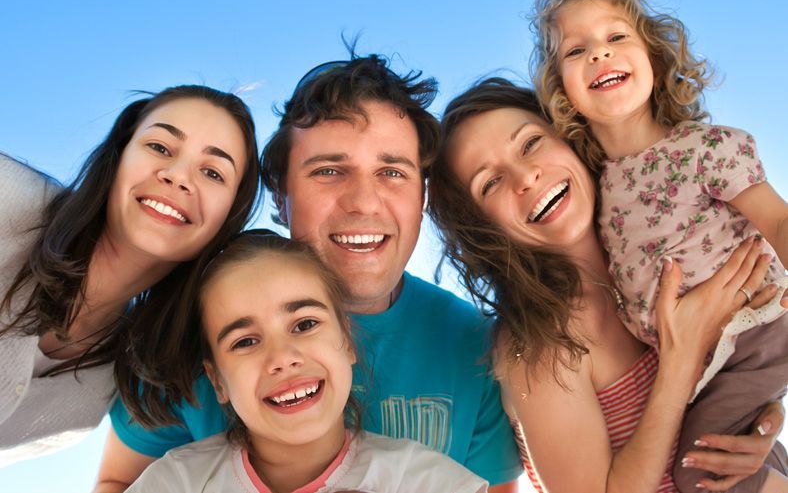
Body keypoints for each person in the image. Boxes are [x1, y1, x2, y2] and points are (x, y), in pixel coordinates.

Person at [97, 55, 522, 492]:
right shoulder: (192, 326)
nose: (364, 202)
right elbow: (119, 482)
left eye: (392, 172)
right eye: (329, 171)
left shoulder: (474, 347)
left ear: (423, 197)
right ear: (280, 195)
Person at [429, 78, 788, 493]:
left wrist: (762, 416)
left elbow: (746, 360)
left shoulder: (663, 261)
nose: (525, 177)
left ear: (569, 140)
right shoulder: (542, 346)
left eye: (530, 144)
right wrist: (678, 361)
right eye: (489, 183)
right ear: (480, 228)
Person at [529, 0, 788, 491]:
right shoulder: (595, 189)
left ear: (655, 58)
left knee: (702, 471)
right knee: (738, 458)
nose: (600, 54)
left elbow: (778, 219)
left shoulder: (707, 148)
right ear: (561, 88)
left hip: (750, 331)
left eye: (617, 37)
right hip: (703, 361)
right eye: (577, 50)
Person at [0, 85, 261, 466]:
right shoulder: (9, 197)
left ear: (228, 217)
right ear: (118, 156)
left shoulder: (100, 391)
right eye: (159, 147)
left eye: (212, 172)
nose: (177, 176)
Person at [126, 229, 488, 493]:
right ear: (217, 379)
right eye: (245, 341)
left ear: (346, 341)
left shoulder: (427, 482)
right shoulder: (176, 482)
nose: (282, 358)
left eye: (304, 324)